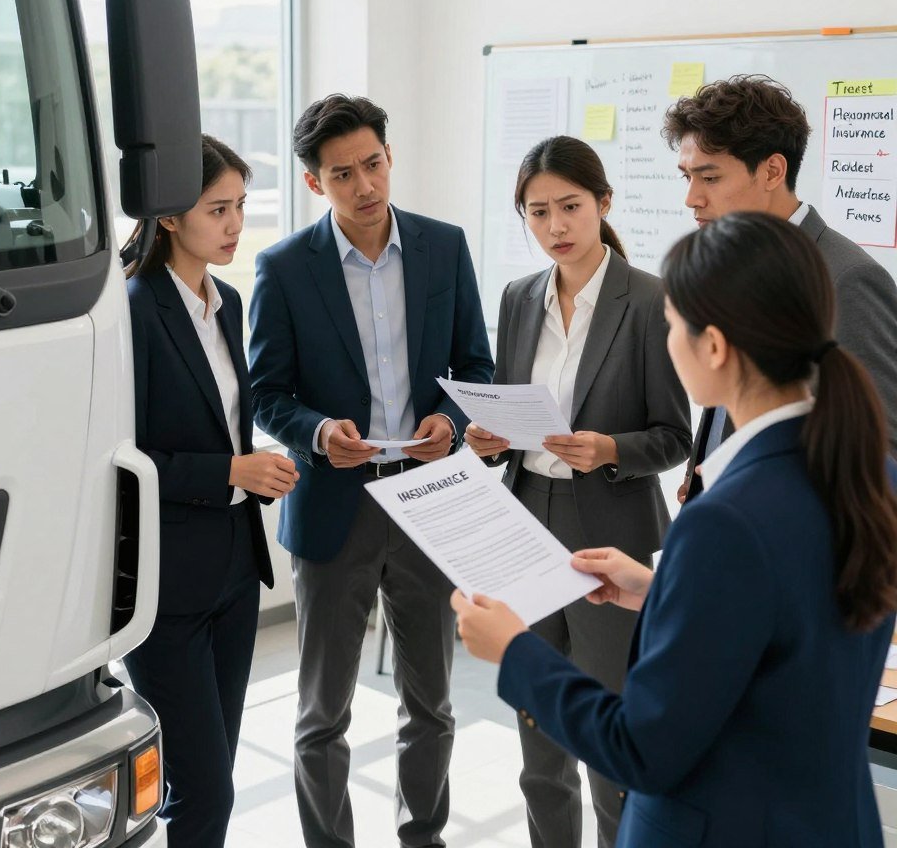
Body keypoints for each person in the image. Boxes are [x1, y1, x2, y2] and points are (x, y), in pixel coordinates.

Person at [453, 211, 897, 848]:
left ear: (713, 347)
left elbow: (641, 748)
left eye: (673, 327)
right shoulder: (869, 470)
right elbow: (788, 628)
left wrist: (514, 651)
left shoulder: (724, 520)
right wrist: (662, 586)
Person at [248, 94, 494, 848]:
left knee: (433, 703)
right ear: (314, 183)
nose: (364, 186)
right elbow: (266, 393)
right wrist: (319, 433)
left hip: (427, 500)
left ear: (391, 159)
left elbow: (475, 366)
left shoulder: (443, 248)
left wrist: (447, 424)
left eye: (374, 164)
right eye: (343, 173)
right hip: (333, 508)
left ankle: (423, 837)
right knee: (323, 714)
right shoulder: (284, 268)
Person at [463, 136, 691, 848]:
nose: (556, 226)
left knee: (609, 737)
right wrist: (488, 437)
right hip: (526, 514)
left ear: (603, 204)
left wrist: (609, 450)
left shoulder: (649, 298)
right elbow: (509, 406)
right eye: (538, 212)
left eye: (570, 207)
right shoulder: (518, 297)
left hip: (612, 533)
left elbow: (676, 436)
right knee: (536, 730)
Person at [122, 135, 299, 848]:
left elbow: (227, 425)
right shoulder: (132, 309)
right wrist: (231, 472)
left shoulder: (227, 301)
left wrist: (257, 461)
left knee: (211, 770)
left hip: (233, 568)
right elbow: (122, 460)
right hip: (164, 586)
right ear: (169, 217)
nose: (234, 225)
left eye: (240, 207)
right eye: (218, 209)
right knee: (205, 788)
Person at [665, 74, 897, 502]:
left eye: (710, 178)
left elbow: (882, 458)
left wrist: (757, 500)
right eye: (687, 178)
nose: (692, 198)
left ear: (773, 170)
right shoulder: (731, 264)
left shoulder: (848, 279)